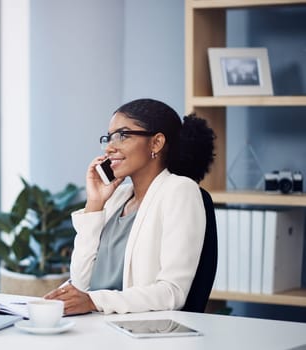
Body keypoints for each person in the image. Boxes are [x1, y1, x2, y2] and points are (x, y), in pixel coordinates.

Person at [44, 98, 215, 315]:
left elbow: (172, 292)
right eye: (109, 137)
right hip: (94, 325)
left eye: (122, 135)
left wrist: (93, 301)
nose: (110, 147)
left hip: (136, 333)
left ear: (156, 143)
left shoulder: (180, 190)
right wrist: (95, 203)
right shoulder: (117, 197)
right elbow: (79, 282)